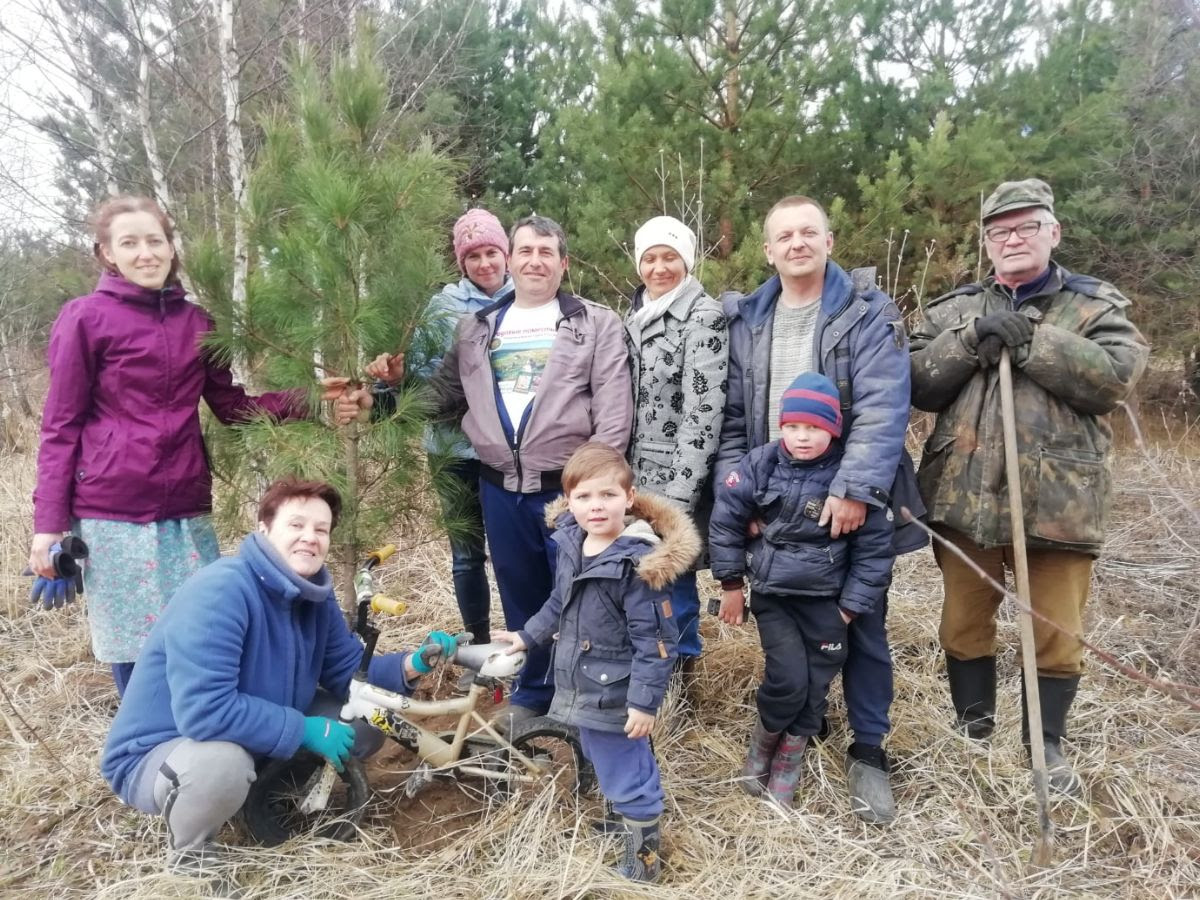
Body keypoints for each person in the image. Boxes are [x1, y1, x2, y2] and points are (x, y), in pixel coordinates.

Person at [342, 215, 633, 734]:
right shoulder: (478, 329)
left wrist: (599, 490)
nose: (535, 260)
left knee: (585, 595)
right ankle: (535, 693)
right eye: (526, 250)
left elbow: (613, 411)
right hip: (500, 488)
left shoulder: (595, 323)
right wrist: (380, 402)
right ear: (512, 259)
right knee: (521, 596)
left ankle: (590, 701)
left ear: (563, 264)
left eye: (547, 251)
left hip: (568, 492)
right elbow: (440, 398)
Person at [909, 178, 1149, 795]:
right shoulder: (953, 309)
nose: (1012, 239)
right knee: (962, 624)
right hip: (964, 502)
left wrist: (1036, 339)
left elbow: (1115, 379)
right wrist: (969, 341)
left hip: (1060, 507)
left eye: (1025, 228)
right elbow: (916, 381)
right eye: (999, 231)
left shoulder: (1095, 307)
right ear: (986, 242)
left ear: (1052, 232)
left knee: (1055, 631)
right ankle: (974, 732)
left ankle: (1045, 744)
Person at [100, 477, 457, 879]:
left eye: (321, 530)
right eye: (296, 525)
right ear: (264, 529)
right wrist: (302, 729)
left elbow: (348, 674)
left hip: (246, 729)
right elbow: (203, 713)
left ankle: (259, 790)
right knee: (222, 766)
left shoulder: (313, 597)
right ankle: (192, 860)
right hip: (163, 749)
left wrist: (414, 663)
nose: (310, 538)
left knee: (363, 724)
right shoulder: (221, 592)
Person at [28, 195, 313, 696]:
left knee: (202, 635)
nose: (145, 253)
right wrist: (48, 526)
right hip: (112, 511)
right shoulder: (85, 319)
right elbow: (60, 426)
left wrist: (310, 398)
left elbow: (233, 407)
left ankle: (204, 749)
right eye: (129, 243)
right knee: (135, 648)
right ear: (107, 254)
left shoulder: (197, 324)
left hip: (184, 506)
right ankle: (143, 755)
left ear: (171, 247)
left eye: (154, 241)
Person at [716, 195, 922, 824]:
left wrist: (855, 489)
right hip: (776, 497)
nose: (797, 243)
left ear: (829, 241)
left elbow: (885, 407)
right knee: (796, 629)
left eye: (809, 231)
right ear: (769, 249)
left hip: (844, 497)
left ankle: (869, 753)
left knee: (858, 626)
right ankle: (804, 727)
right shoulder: (748, 317)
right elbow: (731, 420)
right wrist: (739, 489)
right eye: (785, 235)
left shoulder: (866, 313)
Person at [494, 442, 698, 882]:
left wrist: (644, 704)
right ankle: (626, 820)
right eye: (583, 497)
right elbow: (558, 601)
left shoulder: (637, 566)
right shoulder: (573, 543)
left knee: (625, 767)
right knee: (607, 756)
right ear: (569, 503)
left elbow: (656, 642)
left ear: (629, 498)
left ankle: (643, 858)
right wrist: (527, 636)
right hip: (584, 680)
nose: (595, 506)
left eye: (607, 495)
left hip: (616, 691)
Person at [709, 373, 895, 810]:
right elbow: (725, 522)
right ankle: (763, 742)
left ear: (832, 428)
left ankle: (789, 757)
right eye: (792, 427)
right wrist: (731, 584)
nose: (802, 437)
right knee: (788, 677)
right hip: (774, 597)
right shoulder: (760, 463)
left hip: (828, 603)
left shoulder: (849, 477)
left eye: (813, 428)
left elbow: (874, 552)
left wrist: (849, 610)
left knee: (815, 682)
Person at [363, 209, 513, 674]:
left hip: (509, 449)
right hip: (451, 450)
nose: (485, 263)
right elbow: (421, 384)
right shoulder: (442, 308)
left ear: (506, 255)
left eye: (492, 253)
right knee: (468, 554)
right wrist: (393, 382)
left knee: (512, 551)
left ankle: (519, 645)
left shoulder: (528, 299)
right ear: (461, 261)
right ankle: (476, 649)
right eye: (474, 256)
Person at [623, 215, 727, 683]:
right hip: (630, 477)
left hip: (675, 477)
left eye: (670, 257)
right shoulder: (633, 317)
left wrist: (678, 503)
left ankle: (681, 682)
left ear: (686, 260)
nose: (660, 268)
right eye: (650, 258)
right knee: (636, 579)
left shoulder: (703, 317)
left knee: (675, 580)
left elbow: (703, 414)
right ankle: (646, 673)